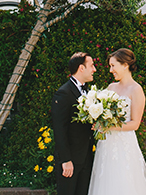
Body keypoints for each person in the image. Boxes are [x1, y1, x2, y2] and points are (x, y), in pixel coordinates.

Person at [87, 48, 146, 195]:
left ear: (125, 65)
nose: (111, 70)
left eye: (113, 66)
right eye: (110, 66)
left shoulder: (136, 90)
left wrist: (109, 126)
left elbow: (135, 124)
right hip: (106, 145)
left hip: (124, 146)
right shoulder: (111, 87)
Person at [52, 52, 97, 195]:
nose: (94, 69)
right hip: (70, 161)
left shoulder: (88, 92)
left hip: (86, 158)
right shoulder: (63, 93)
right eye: (91, 65)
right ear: (81, 68)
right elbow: (59, 129)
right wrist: (65, 160)